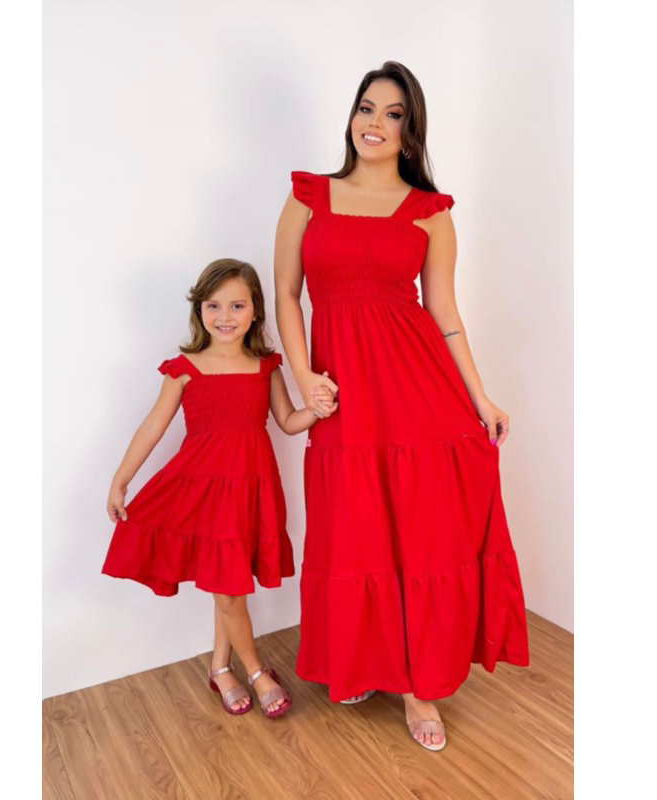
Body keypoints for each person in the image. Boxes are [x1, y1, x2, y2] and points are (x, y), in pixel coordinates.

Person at [274, 61, 530, 751]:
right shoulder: (307, 197)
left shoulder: (431, 213)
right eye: (367, 107)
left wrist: (480, 396)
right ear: (352, 116)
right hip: (343, 397)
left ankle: (419, 688)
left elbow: (444, 314)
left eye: (393, 114)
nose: (375, 123)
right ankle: (364, 662)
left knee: (419, 533)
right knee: (355, 528)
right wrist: (304, 375)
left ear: (411, 131)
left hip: (418, 392)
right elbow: (287, 295)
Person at [101, 258, 337, 718]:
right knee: (229, 591)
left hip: (251, 490)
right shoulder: (184, 368)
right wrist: (120, 480)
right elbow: (152, 427)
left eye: (237, 305)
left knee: (227, 586)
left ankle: (220, 667)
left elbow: (288, 421)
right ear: (199, 309)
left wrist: (318, 408)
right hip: (203, 494)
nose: (224, 316)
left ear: (255, 311)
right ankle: (256, 671)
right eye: (213, 305)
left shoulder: (266, 366)